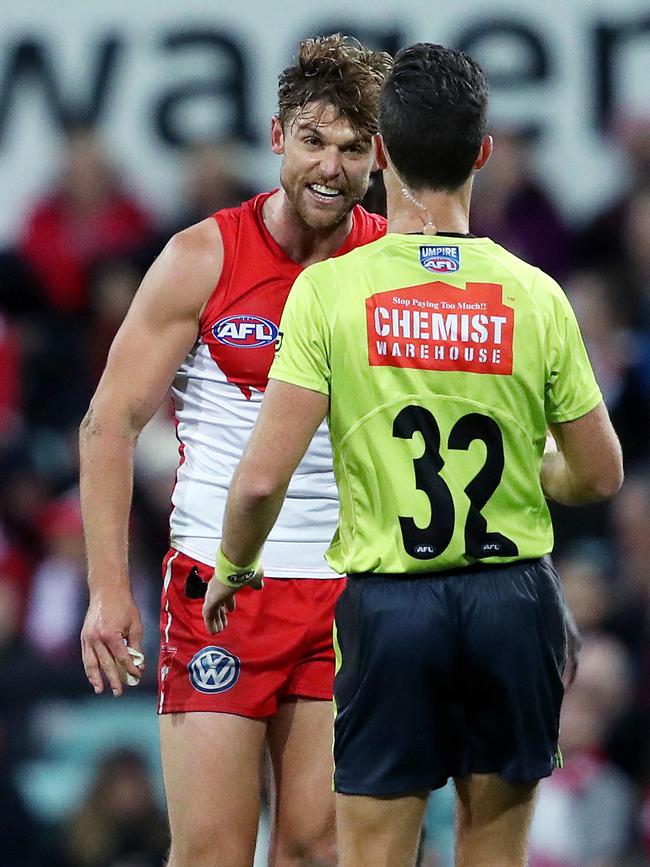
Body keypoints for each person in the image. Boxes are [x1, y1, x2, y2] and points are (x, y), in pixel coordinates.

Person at [202, 43, 624, 867]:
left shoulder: (333, 291)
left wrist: (232, 565)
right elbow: (601, 472)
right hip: (512, 602)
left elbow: (259, 479)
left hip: (391, 610)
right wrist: (531, 469)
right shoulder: (535, 292)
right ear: (483, 155)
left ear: (381, 153)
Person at [79, 34, 391, 867]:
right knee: (214, 851)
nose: (331, 166)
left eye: (353, 148)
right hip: (219, 589)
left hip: (348, 591)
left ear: (378, 156)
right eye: (314, 141)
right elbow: (108, 423)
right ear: (277, 136)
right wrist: (109, 591)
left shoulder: (389, 268)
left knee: (317, 849)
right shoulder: (202, 257)